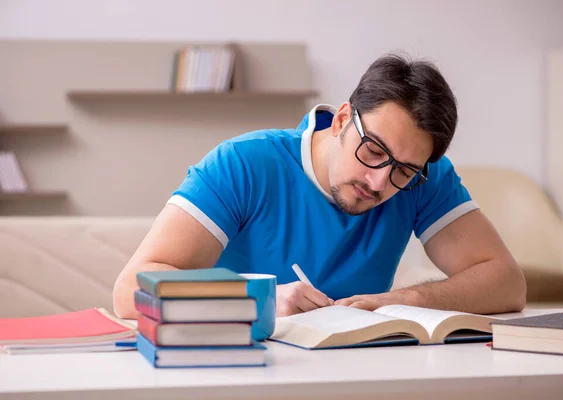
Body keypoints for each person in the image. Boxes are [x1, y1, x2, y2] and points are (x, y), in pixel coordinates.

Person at [113, 53, 526, 319]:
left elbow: (507, 281)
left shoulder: (420, 176)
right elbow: (131, 287)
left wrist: (408, 299)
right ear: (344, 119)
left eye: (402, 170)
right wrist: (262, 299)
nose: (380, 180)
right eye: (373, 150)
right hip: (236, 373)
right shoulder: (244, 164)